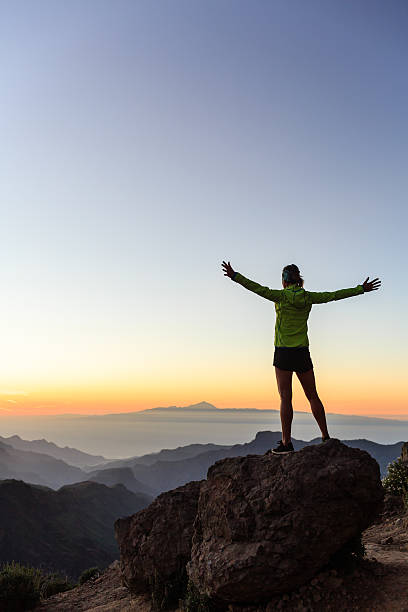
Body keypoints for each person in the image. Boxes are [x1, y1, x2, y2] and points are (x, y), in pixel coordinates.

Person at [221, 261, 381, 454]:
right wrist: (361, 289)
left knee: (285, 398)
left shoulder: (279, 296)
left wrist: (235, 276)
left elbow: (256, 288)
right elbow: (334, 295)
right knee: (312, 395)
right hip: (302, 352)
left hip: (283, 352)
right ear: (300, 280)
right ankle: (325, 437)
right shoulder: (309, 298)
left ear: (284, 281)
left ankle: (286, 443)